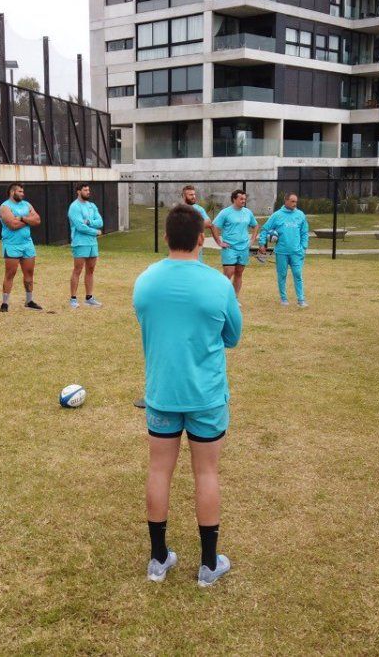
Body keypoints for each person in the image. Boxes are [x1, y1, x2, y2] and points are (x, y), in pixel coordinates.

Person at [134, 205, 242, 587]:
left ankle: (158, 559)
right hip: (206, 396)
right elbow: (233, 336)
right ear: (201, 239)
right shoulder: (219, 285)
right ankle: (208, 565)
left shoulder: (145, 281)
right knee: (206, 472)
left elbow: (148, 323)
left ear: (166, 237)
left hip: (162, 393)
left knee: (159, 470)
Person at [257, 193, 310, 307]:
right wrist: (262, 243)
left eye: (296, 201)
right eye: (292, 201)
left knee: (298, 274)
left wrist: (303, 247)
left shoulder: (300, 215)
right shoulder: (277, 215)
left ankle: (301, 300)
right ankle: (283, 299)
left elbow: (305, 232)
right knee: (282, 275)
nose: (295, 204)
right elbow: (265, 229)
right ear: (286, 201)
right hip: (281, 252)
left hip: (296, 252)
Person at [0, 182, 42, 312]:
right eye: (20, 191)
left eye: (23, 191)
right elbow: (13, 225)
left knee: (29, 273)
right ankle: (5, 303)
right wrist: (29, 221)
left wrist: (22, 218)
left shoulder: (27, 205)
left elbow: (37, 220)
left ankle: (29, 301)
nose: (23, 194)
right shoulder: (5, 207)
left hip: (27, 244)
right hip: (12, 245)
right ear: (12, 192)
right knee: (10, 274)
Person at [212, 189, 259, 296]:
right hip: (229, 248)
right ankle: (222, 298)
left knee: (239, 273)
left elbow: (255, 225)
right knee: (228, 273)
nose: (243, 201)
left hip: (244, 248)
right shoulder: (225, 212)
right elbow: (214, 226)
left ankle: (235, 299)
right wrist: (219, 242)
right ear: (234, 199)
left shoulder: (248, 212)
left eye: (244, 199)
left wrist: (252, 240)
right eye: (241, 199)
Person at [68, 183, 104, 309]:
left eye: (88, 190)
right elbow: (79, 226)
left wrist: (89, 221)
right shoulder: (74, 207)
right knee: (77, 270)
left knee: (90, 270)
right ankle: (73, 299)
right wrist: (95, 232)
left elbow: (100, 222)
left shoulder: (92, 206)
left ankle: (89, 298)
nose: (88, 192)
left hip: (92, 243)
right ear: (78, 191)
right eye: (85, 190)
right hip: (80, 243)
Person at [179, 185, 219, 263]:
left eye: (194, 194)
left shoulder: (199, 209)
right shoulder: (178, 210)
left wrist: (190, 227)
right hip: (181, 245)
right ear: (183, 196)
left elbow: (208, 223)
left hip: (196, 245)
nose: (193, 197)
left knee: (196, 265)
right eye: (191, 195)